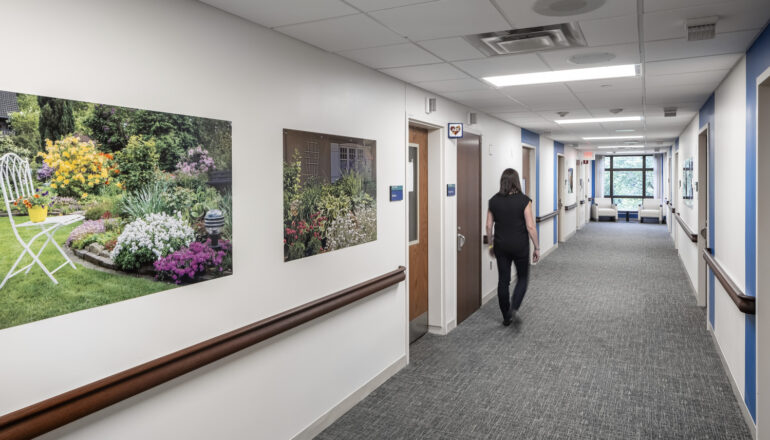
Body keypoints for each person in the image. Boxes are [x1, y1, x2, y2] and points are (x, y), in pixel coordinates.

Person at [486, 168, 540, 326]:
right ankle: (514, 307)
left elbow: (488, 226)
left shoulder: (493, 201)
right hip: (520, 246)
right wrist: (537, 247)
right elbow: (530, 227)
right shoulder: (524, 200)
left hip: (501, 246)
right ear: (516, 182)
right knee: (522, 278)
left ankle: (506, 316)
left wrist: (490, 245)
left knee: (503, 280)